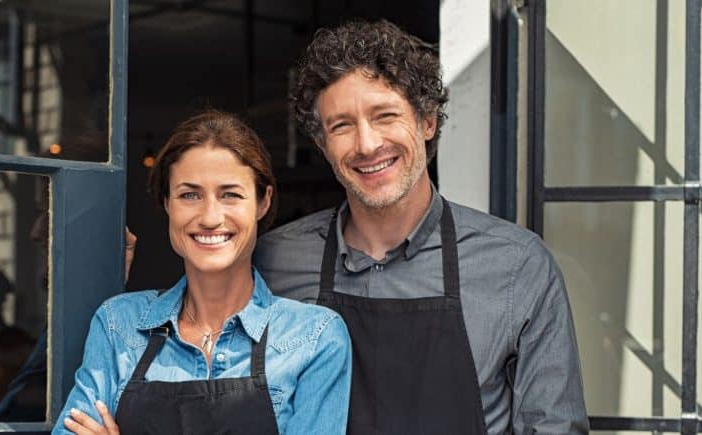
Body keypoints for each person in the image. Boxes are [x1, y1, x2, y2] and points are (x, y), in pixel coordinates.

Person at [253, 20, 589, 434]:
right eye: (341, 126)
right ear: (323, 145)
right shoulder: (273, 263)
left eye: (385, 116)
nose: (367, 144)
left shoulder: (516, 266)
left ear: (427, 121)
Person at [53, 110, 352, 434]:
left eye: (230, 195)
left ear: (263, 202)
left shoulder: (313, 337)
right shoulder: (118, 326)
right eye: (189, 195)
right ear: (167, 202)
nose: (210, 217)